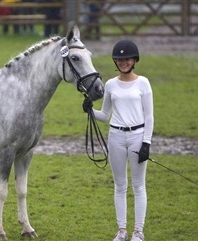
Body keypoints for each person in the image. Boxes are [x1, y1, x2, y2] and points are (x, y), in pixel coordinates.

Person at [82, 40, 154, 241]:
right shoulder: (111, 84)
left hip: (137, 136)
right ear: (115, 61)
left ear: (134, 60)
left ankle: (138, 232)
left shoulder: (143, 83)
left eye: (127, 59)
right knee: (120, 185)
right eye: (120, 59)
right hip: (116, 136)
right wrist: (90, 110)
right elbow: (105, 114)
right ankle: (122, 230)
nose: (123, 62)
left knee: (138, 186)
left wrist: (146, 143)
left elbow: (149, 117)